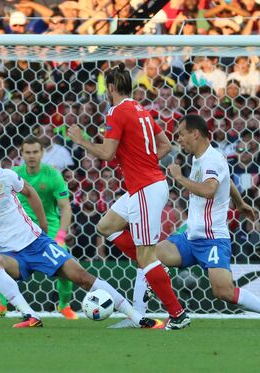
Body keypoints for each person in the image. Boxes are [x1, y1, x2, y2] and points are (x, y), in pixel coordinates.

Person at [0, 144, 161, 329]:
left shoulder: (4, 177)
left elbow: (30, 192)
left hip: (36, 243)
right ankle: (30, 315)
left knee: (82, 277)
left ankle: (136, 316)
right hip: (10, 255)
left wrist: (43, 227)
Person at [155, 114, 260, 330]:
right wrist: (240, 202)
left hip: (213, 239)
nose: (179, 139)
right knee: (149, 255)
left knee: (223, 291)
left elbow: (209, 190)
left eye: (181, 134)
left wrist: (178, 177)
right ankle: (145, 316)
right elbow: (227, 180)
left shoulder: (212, 159)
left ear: (195, 133)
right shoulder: (204, 157)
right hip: (191, 236)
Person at [68, 63, 188, 331]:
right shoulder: (142, 110)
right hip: (143, 186)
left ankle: (178, 314)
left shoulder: (116, 111)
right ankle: (152, 267)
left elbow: (107, 154)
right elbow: (166, 145)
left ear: (110, 88)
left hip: (146, 188)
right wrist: (145, 162)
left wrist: (81, 139)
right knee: (106, 226)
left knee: (146, 257)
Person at [0, 136, 78, 320]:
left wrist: (60, 235)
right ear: (21, 154)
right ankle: (2, 304)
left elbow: (65, 207)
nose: (31, 156)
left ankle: (64, 305)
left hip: (49, 230)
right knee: (3, 261)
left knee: (66, 264)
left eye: (35, 152)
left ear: (42, 153)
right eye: (27, 152)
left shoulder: (52, 175)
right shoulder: (13, 174)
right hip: (21, 230)